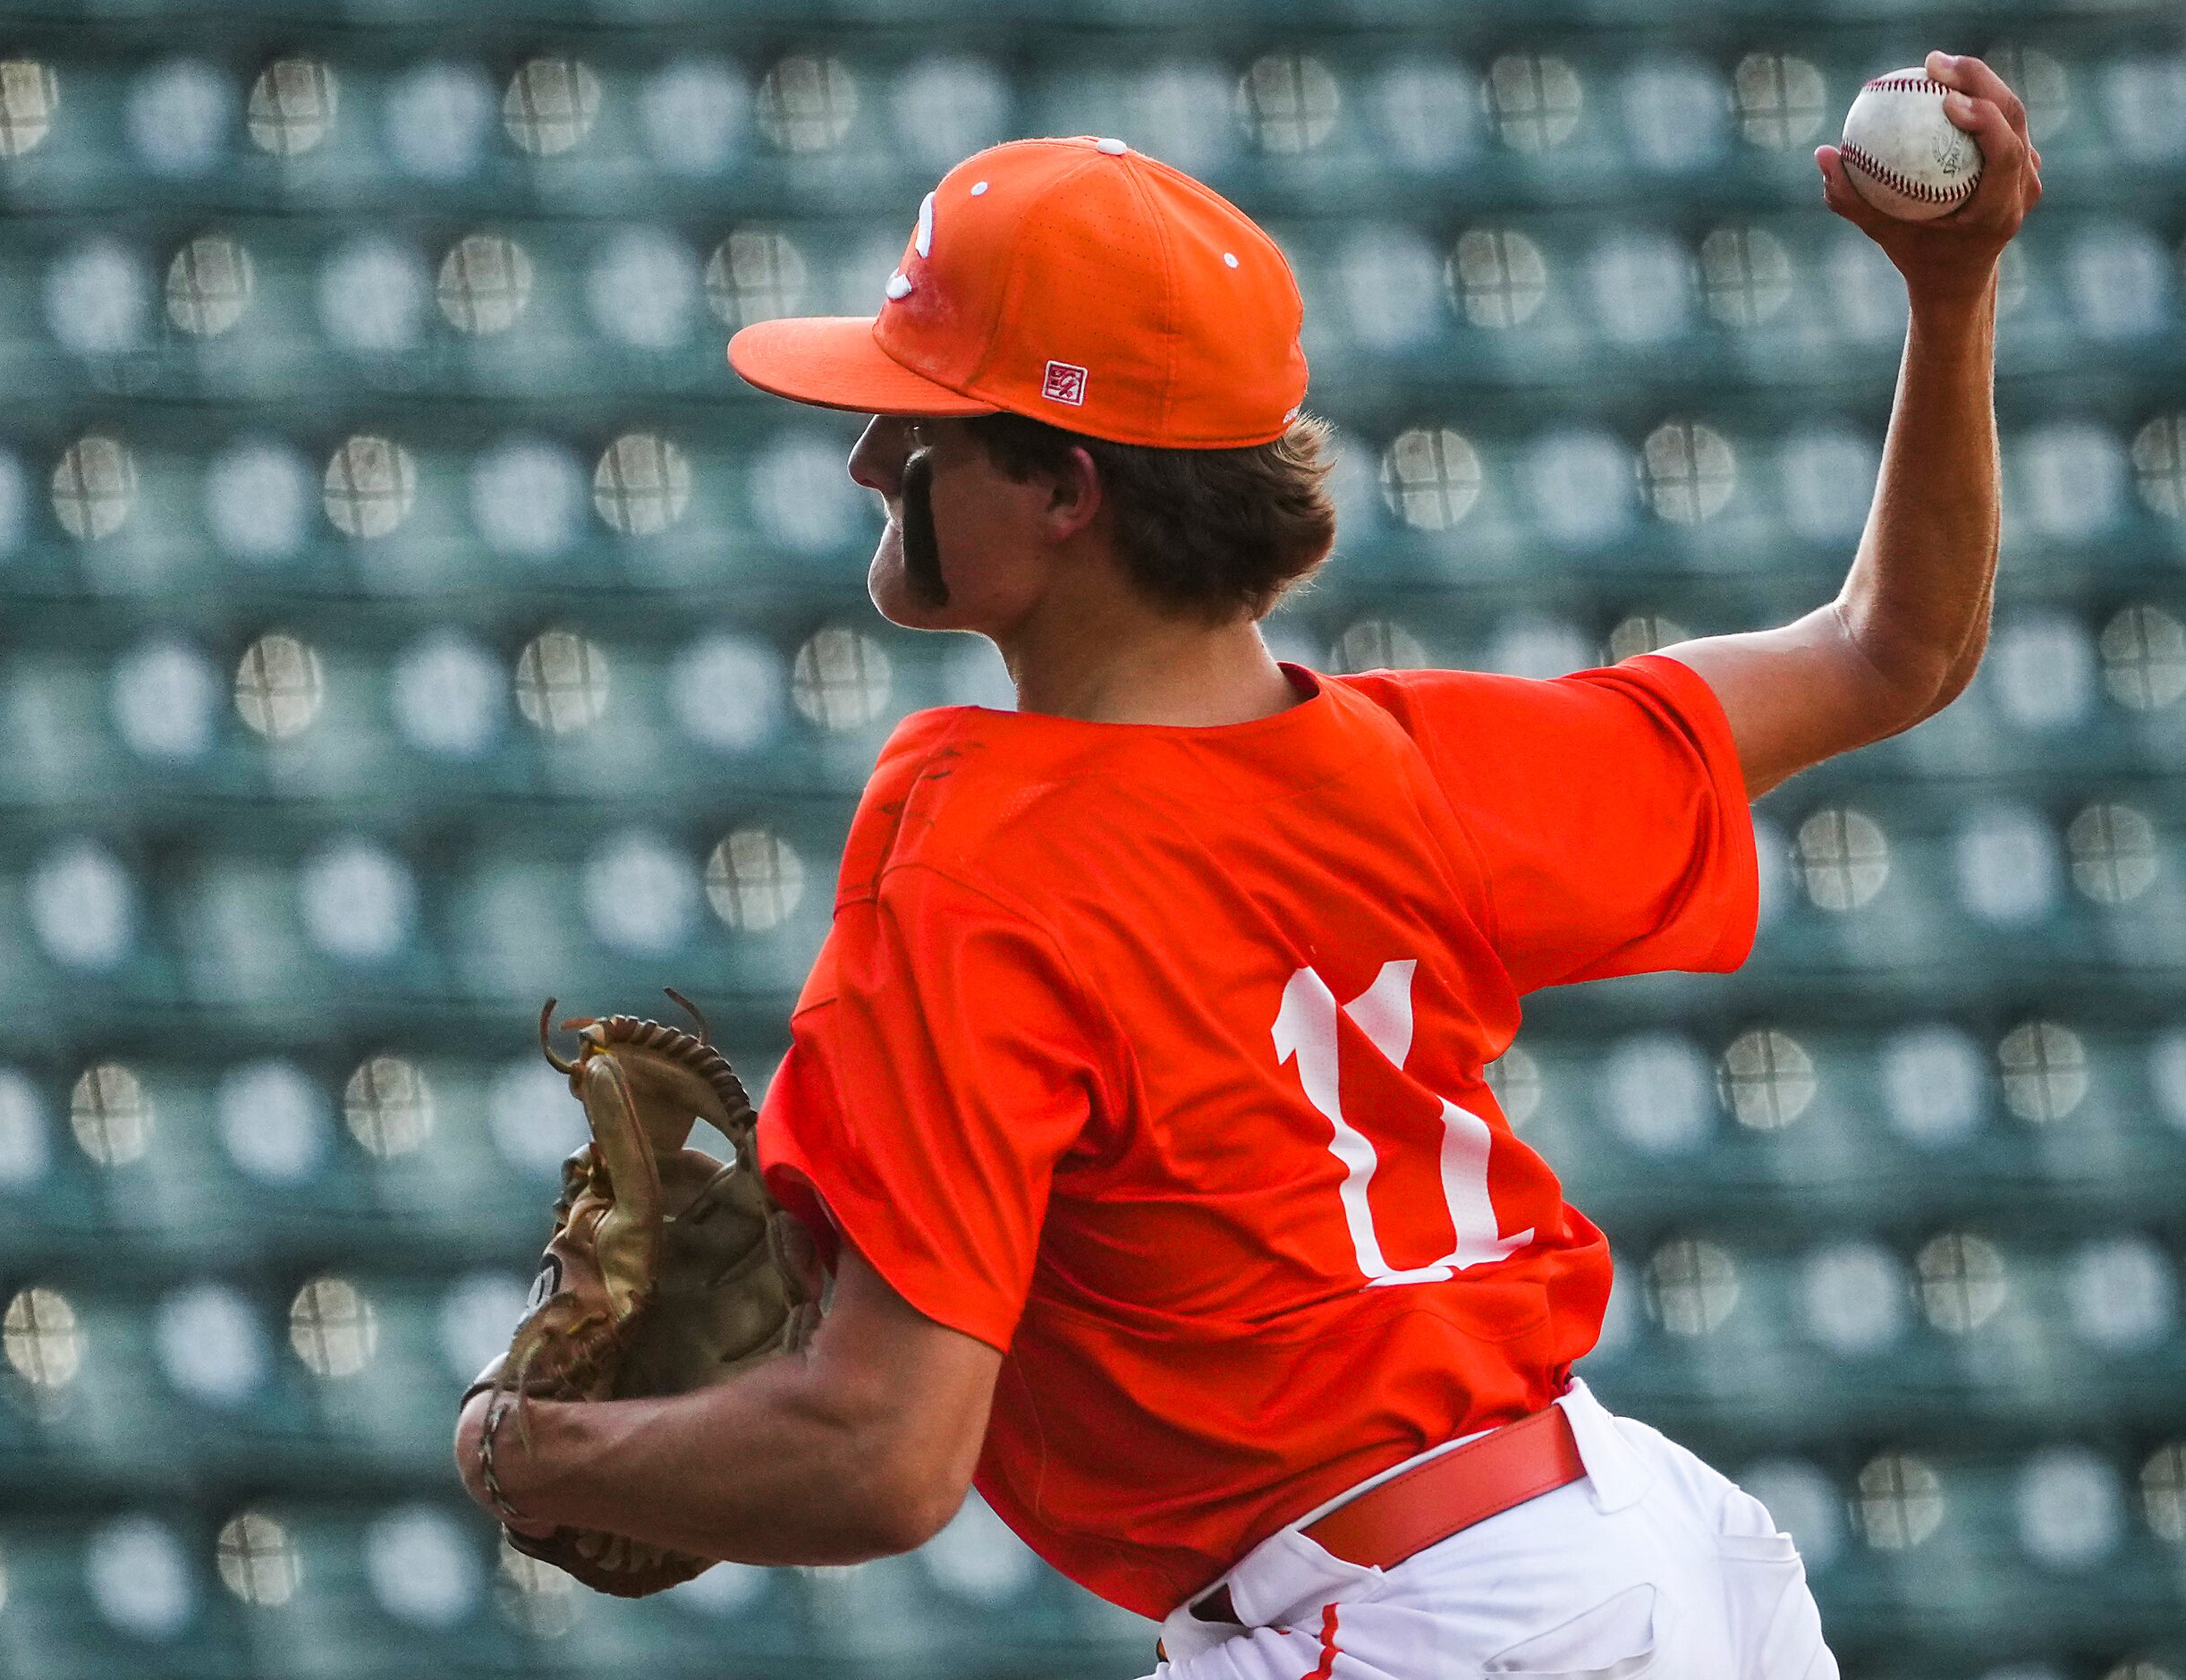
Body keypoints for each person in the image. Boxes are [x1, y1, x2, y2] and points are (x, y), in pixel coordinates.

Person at [459, 51, 2041, 1678]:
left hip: (1431, 1628)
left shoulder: (976, 843)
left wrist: (523, 1451)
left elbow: (883, 1456)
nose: (871, 454)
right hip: (1650, 1562)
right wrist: (1954, 287)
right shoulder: (1427, 762)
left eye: (924, 422)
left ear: (1069, 488)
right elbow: (1890, 649)